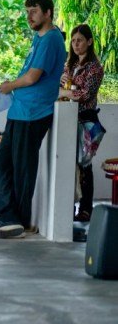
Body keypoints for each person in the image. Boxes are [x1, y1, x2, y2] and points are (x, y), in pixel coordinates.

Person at [0, 0, 66, 238]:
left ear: (48, 12)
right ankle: (7, 217)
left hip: (34, 113)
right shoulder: (38, 38)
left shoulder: (52, 39)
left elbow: (33, 77)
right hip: (20, 111)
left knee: (22, 168)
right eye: (27, 11)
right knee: (0, 164)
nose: (29, 16)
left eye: (34, 10)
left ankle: (17, 221)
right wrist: (11, 86)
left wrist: (11, 86)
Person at [58, 24, 104, 222]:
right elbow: (60, 87)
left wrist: (65, 92)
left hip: (86, 120)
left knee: (85, 165)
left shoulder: (95, 67)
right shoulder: (69, 64)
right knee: (68, 163)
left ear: (90, 42)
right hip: (68, 118)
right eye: (73, 41)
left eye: (80, 41)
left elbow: (86, 94)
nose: (76, 45)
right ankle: (67, 206)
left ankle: (86, 208)